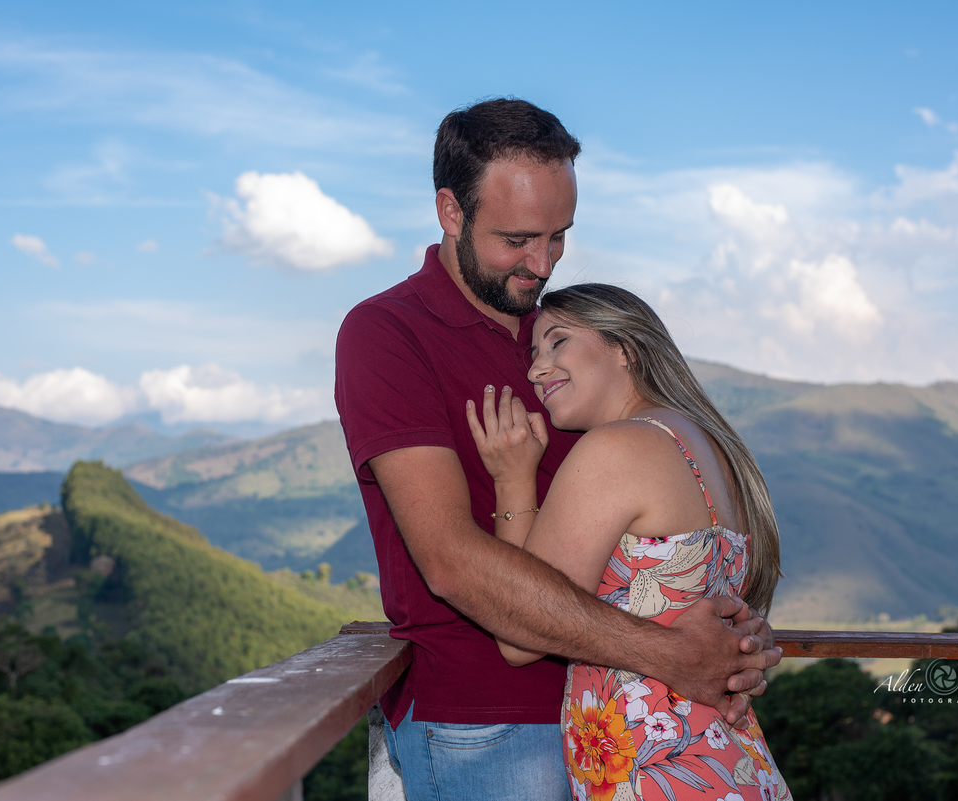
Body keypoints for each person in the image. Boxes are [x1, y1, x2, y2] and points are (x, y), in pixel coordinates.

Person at [334, 98, 782, 801]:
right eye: (517, 239)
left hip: (621, 721)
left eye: (559, 236)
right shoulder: (388, 334)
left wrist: (723, 631)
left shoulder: (563, 338)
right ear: (451, 211)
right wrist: (672, 652)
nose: (541, 263)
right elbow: (451, 560)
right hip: (488, 722)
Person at [466, 282, 790, 801]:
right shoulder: (708, 449)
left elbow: (521, 634)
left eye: (558, 342)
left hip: (656, 770)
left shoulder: (614, 449)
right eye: (533, 353)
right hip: (729, 765)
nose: (536, 369)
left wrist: (512, 480)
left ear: (625, 349)